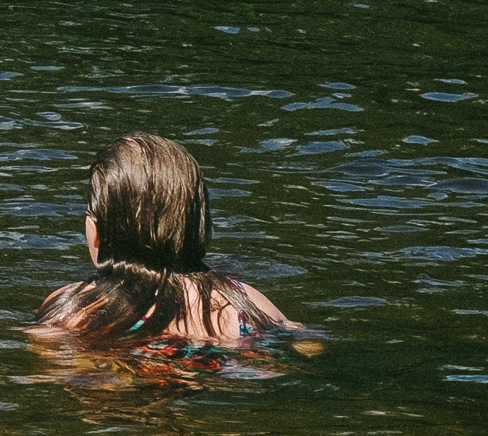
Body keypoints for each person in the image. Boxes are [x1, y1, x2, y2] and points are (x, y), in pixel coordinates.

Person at [34, 129, 296, 353]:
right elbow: (306, 345)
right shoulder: (246, 303)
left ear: (97, 230)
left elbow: (52, 363)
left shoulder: (72, 310)